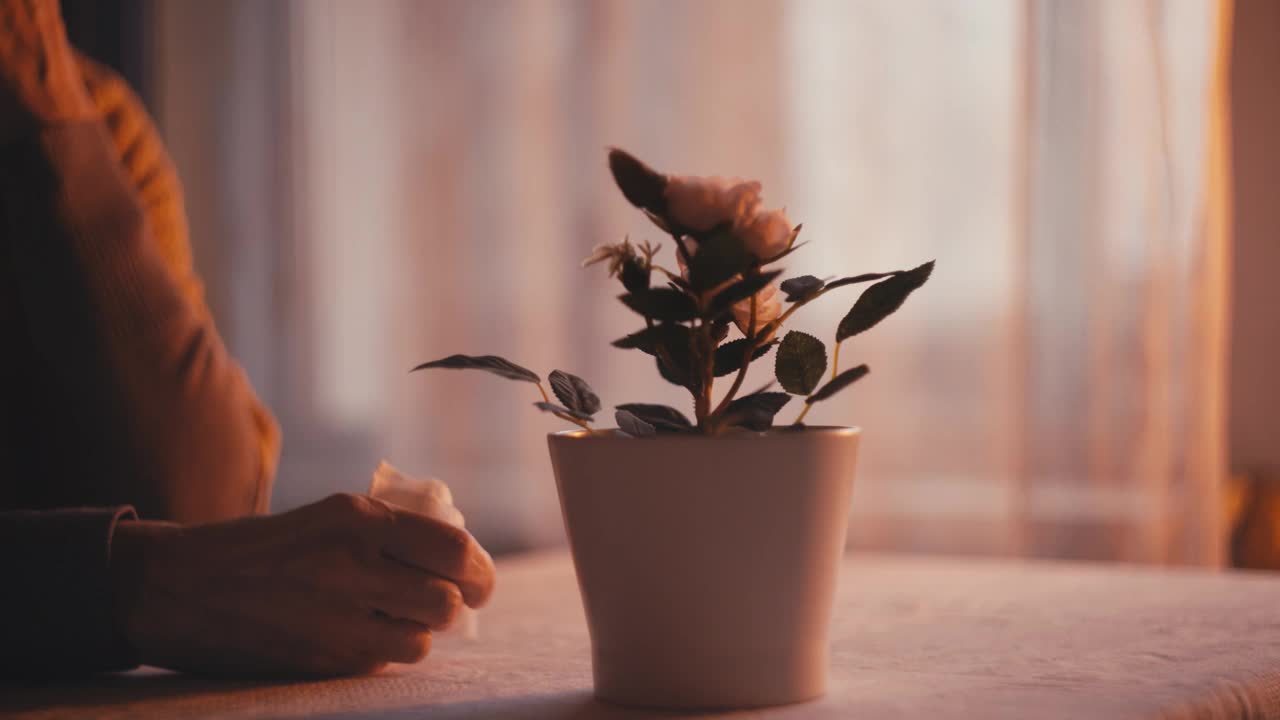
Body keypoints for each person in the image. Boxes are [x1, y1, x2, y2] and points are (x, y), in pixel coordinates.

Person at [0, 0, 495, 678]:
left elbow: (201, 514)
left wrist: (50, 114)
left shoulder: (93, 122)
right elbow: (193, 573)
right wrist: (126, 584)